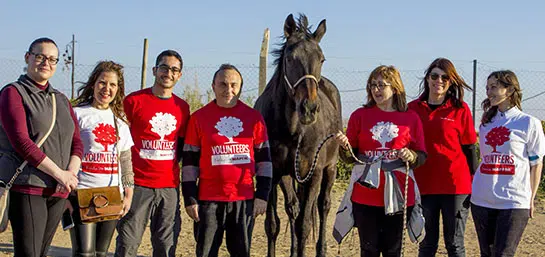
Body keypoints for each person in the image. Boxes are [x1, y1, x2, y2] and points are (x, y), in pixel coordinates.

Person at [0, 37, 82, 257]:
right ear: (28, 57)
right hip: (28, 186)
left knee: (42, 252)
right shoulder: (13, 93)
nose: (46, 63)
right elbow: (21, 142)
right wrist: (60, 174)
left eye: (53, 59)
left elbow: (77, 142)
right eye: (40, 56)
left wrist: (70, 175)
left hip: (58, 190)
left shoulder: (61, 99)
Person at [334, 65, 427, 257]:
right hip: (365, 195)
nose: (376, 89)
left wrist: (412, 156)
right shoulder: (359, 116)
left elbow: (422, 155)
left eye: (381, 85)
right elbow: (349, 158)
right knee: (369, 249)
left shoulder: (410, 118)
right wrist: (344, 147)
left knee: (394, 250)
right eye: (372, 85)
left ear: (395, 87)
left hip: (400, 195)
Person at [182, 64, 272, 257]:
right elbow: (189, 163)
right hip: (208, 200)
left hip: (243, 199)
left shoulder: (254, 118)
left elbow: (264, 161)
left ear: (240, 87)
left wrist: (262, 195)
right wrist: (190, 197)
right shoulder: (199, 118)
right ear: (213, 86)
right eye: (222, 84)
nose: (228, 90)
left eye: (233, 84)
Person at [115, 50, 190, 257]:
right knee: (127, 244)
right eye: (164, 67)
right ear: (155, 70)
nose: (169, 73)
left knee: (166, 247)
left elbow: (181, 146)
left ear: (179, 75)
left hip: (169, 188)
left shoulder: (182, 107)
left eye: (174, 69)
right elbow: (120, 142)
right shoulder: (133, 101)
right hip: (137, 186)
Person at [408, 58, 478, 257]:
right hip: (424, 186)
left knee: (454, 244)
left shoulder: (460, 109)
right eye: (435, 76)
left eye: (445, 77)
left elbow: (470, 148)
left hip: (455, 186)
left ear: (451, 82)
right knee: (426, 243)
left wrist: (475, 180)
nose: (439, 80)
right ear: (428, 78)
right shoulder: (412, 109)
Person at [471, 70, 545, 257]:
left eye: (494, 87)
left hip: (513, 201)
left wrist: (531, 197)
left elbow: (536, 163)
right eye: (487, 88)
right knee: (486, 253)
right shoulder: (486, 124)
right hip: (481, 199)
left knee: (504, 253)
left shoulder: (529, 123)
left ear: (510, 89)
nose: (489, 92)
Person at [69, 60, 134, 257]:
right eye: (102, 83)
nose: (107, 89)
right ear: (93, 84)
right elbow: (66, 151)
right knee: (84, 252)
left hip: (112, 194)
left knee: (100, 252)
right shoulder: (78, 114)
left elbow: (125, 160)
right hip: (81, 192)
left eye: (112, 85)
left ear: (118, 89)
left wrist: (128, 194)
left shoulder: (120, 120)